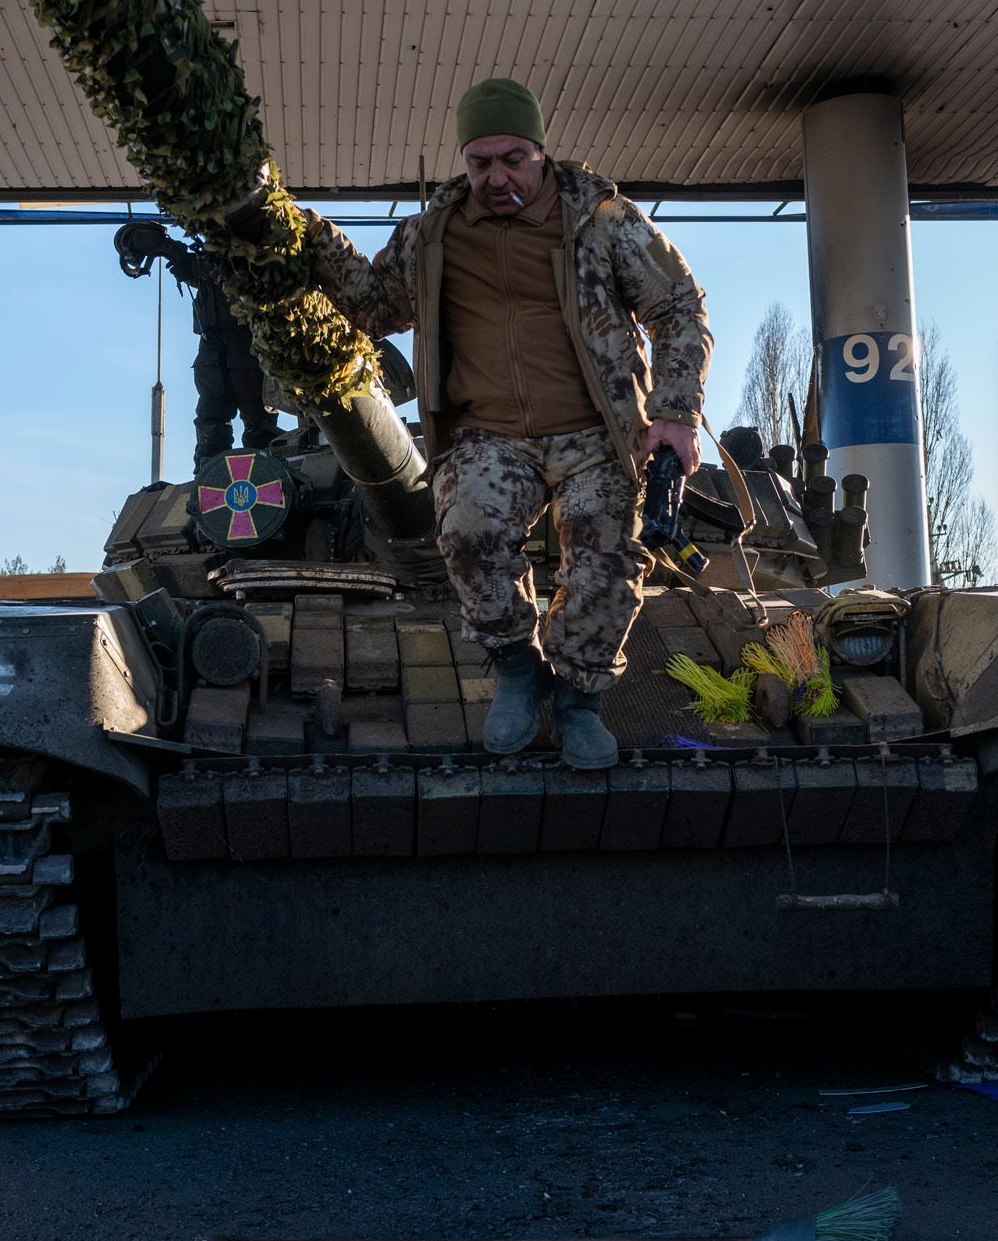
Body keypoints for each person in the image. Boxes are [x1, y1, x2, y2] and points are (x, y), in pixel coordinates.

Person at [304, 78, 712, 769]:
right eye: (481, 162)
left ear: (541, 152)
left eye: (513, 159)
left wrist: (675, 413)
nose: (497, 177)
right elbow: (374, 306)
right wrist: (307, 235)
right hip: (488, 434)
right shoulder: (432, 233)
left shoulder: (602, 219)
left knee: (609, 557)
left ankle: (578, 700)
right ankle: (519, 670)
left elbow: (678, 307)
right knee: (467, 534)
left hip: (598, 433)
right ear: (465, 160)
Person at [114, 223, 281, 465]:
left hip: (247, 344)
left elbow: (228, 272)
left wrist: (189, 262)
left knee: (258, 418)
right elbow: (195, 269)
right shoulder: (206, 260)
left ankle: (264, 472)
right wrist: (169, 250)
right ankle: (209, 472)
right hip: (213, 345)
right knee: (211, 416)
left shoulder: (252, 255)